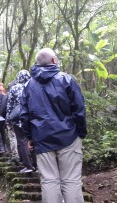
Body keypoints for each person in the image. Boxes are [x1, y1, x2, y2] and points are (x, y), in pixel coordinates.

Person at [21, 48, 87, 203]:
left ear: (37, 63)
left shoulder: (29, 85)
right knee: (71, 180)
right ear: (54, 60)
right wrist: (81, 132)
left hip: (41, 138)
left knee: (49, 181)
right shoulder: (66, 79)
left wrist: (30, 137)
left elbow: (24, 115)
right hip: (68, 136)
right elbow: (79, 108)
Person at [6, 70, 36, 173]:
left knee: (22, 141)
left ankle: (28, 166)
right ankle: (36, 165)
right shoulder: (33, 86)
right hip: (32, 118)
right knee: (33, 141)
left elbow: (9, 105)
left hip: (18, 119)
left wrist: (8, 119)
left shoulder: (14, 88)